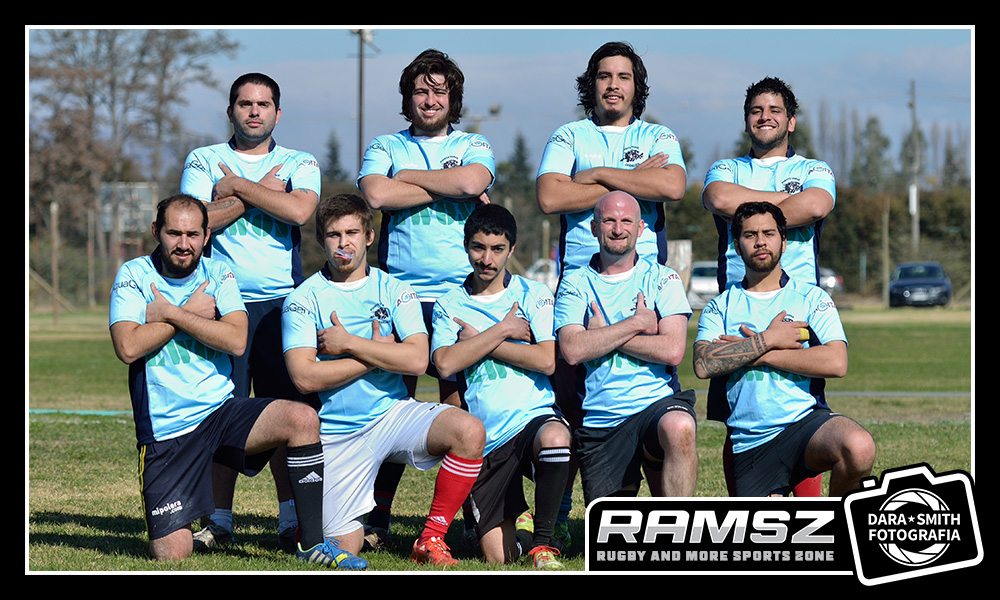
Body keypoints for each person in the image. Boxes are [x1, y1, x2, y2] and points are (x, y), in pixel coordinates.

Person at [108, 195, 361, 568]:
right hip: (167, 432)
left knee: (302, 419)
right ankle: (205, 518)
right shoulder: (133, 274)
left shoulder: (220, 273)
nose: (183, 243)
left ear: (207, 234)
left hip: (221, 414)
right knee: (172, 553)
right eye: (173, 232)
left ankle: (310, 541)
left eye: (193, 234)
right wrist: (193, 314)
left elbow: (236, 339)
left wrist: (169, 314)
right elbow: (128, 347)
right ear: (155, 232)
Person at [280, 193, 486, 567]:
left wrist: (349, 345)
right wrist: (374, 354)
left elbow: (416, 359)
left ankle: (432, 537)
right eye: (333, 234)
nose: (344, 243)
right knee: (345, 546)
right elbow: (305, 377)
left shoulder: (395, 290)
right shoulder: (302, 299)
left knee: (468, 431)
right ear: (320, 240)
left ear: (369, 237)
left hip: (392, 415)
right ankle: (315, 526)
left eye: (352, 232)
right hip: (339, 431)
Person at [536, 41, 688, 537]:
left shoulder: (658, 133)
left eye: (623, 77)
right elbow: (550, 194)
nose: (613, 85)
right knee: (574, 399)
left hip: (640, 281)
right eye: (604, 76)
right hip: (582, 282)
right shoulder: (568, 134)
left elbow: (671, 187)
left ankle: (672, 528)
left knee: (650, 391)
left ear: (636, 86)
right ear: (592, 83)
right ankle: (554, 517)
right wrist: (633, 180)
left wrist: (598, 175)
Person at [357, 48, 496, 544]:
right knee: (394, 407)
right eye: (421, 90)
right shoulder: (384, 144)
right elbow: (375, 196)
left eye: (440, 90)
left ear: (453, 98)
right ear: (407, 98)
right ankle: (376, 518)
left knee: (461, 407)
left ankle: (464, 517)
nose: (430, 98)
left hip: (462, 297)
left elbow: (472, 179)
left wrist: (409, 180)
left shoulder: (474, 142)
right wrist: (447, 187)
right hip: (401, 295)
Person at [179, 72, 321, 551]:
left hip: (285, 304)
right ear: (231, 111)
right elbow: (195, 223)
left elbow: (300, 213)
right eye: (244, 103)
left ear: (277, 113)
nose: (254, 111)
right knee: (221, 413)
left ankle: (290, 520)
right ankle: (218, 520)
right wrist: (265, 192)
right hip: (221, 305)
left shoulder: (299, 160)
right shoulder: (203, 159)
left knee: (290, 413)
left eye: (263, 104)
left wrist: (235, 187)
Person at [701, 76, 837, 497]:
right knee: (737, 411)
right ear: (746, 121)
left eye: (775, 110)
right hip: (738, 300)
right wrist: (784, 203)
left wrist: (752, 206)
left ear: (791, 121)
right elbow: (721, 200)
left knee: (801, 408)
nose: (766, 117)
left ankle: (810, 514)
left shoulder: (814, 169)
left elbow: (816, 204)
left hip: (797, 305)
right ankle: (747, 505)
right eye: (757, 110)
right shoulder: (725, 167)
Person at [692, 202, 875, 497]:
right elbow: (703, 364)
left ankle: (840, 523)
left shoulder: (811, 298)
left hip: (806, 427)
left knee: (859, 446)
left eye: (769, 233)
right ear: (737, 246)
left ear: (784, 241)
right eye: (750, 235)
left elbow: (836, 362)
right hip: (751, 443)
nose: (761, 241)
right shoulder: (720, 306)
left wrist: (757, 352)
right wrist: (768, 338)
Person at [430, 204, 572, 570]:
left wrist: (477, 342)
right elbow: (444, 362)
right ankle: (519, 519)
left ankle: (545, 546)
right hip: (485, 438)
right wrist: (505, 330)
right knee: (500, 556)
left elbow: (545, 360)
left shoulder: (534, 293)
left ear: (511, 249)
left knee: (556, 438)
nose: (486, 259)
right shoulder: (448, 304)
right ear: (465, 246)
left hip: (532, 420)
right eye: (478, 247)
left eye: (496, 249)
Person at [553, 191, 698, 506]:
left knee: (680, 426)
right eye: (609, 220)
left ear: (641, 228)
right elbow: (573, 350)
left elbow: (673, 350)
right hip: (602, 418)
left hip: (656, 406)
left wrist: (602, 336)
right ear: (594, 228)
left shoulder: (663, 278)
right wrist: (637, 324)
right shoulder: (574, 282)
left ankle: (681, 530)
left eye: (626, 221)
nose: (618, 229)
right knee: (613, 542)